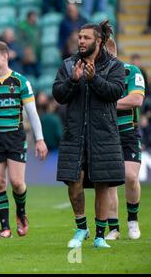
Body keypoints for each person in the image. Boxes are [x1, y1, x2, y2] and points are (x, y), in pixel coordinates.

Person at [52, 20, 126, 249]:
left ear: (99, 41)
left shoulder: (114, 66)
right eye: (79, 37)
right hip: (74, 134)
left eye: (86, 38)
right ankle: (81, 227)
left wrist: (94, 79)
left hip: (103, 135)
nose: (80, 41)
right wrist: (73, 81)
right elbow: (58, 95)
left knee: (103, 184)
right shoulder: (68, 65)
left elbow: (115, 92)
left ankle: (100, 236)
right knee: (74, 182)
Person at [0, 41, 48, 238]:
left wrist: (40, 139)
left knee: (18, 183)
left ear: (5, 56)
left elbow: (33, 114)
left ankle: (21, 212)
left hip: (15, 137)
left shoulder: (20, 82)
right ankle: (5, 228)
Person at [104, 39, 144, 240]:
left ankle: (133, 221)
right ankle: (114, 228)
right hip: (106, 134)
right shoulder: (97, 76)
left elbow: (136, 99)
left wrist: (108, 103)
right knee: (110, 182)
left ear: (113, 50)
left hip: (128, 132)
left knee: (130, 177)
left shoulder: (132, 71)